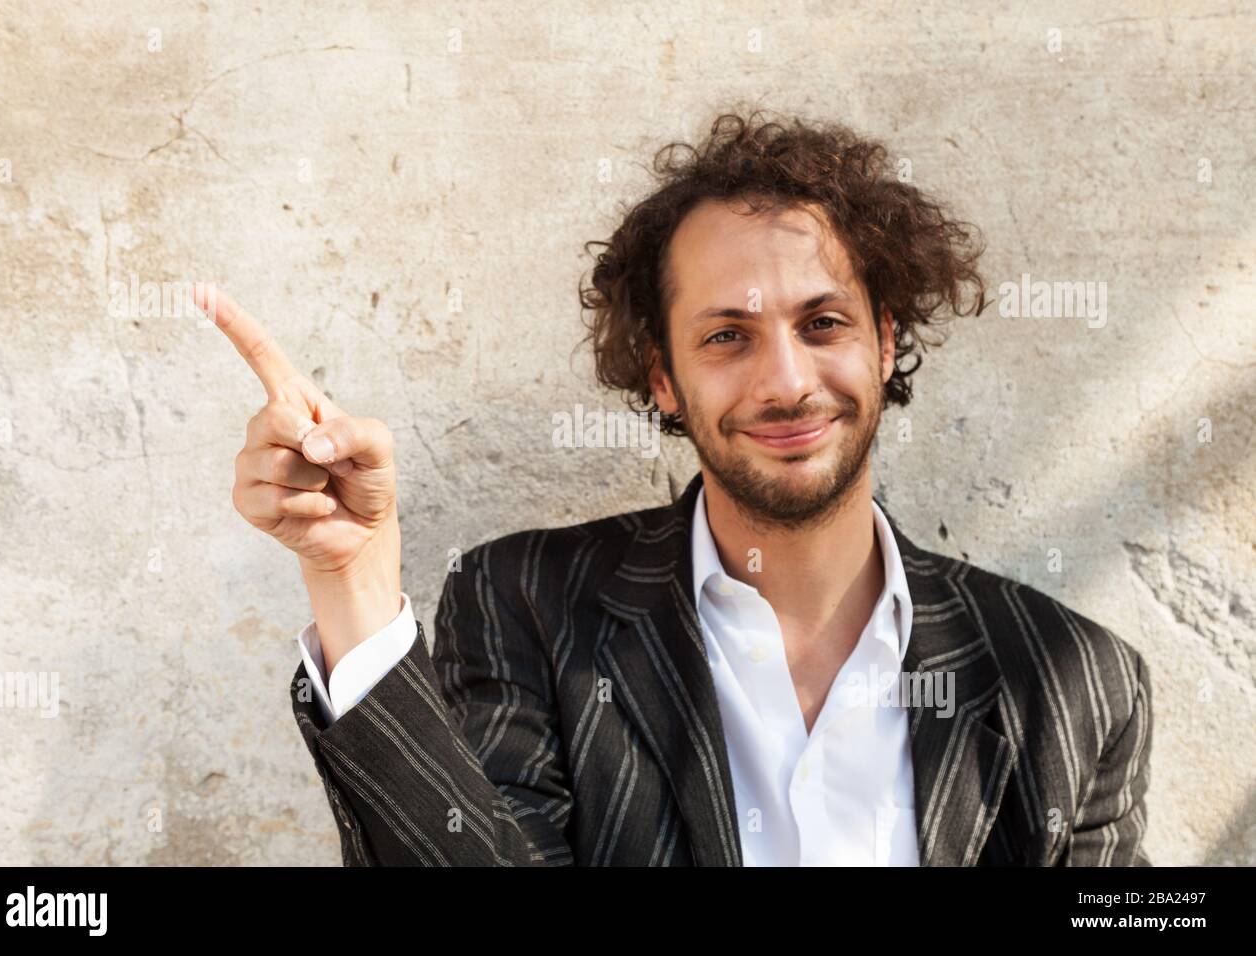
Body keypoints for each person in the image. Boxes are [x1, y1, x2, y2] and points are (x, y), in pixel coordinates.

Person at [199, 110, 1152, 866]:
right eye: (727, 336)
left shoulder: (1078, 685)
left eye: (822, 323)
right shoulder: (528, 608)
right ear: (661, 374)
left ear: (886, 339)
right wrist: (353, 581)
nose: (785, 381)